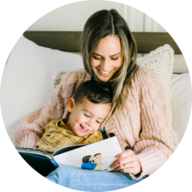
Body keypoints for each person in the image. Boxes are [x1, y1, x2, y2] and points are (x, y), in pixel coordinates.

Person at [14, 9, 176, 191]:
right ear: (86, 51)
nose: (106, 67)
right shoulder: (73, 80)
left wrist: (139, 162)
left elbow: (163, 147)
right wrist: (30, 154)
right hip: (71, 168)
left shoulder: (144, 80)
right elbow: (34, 125)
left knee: (64, 178)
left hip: (125, 176)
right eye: (97, 57)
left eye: (115, 58)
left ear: (126, 52)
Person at [36, 80, 112, 155]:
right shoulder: (53, 126)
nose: (91, 124)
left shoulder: (95, 139)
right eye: (87, 115)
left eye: (98, 121)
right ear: (71, 105)